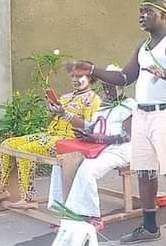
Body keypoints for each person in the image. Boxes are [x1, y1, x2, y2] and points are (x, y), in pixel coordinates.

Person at [70, 0, 166, 246]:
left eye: (147, 11)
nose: (142, 16)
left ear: (164, 15)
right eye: (140, 12)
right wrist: (93, 69)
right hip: (142, 114)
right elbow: (124, 77)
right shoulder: (143, 46)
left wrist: (165, 72)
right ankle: (149, 226)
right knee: (145, 172)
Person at [0, 64, 100, 211]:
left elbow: (89, 126)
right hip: (51, 135)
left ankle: (28, 198)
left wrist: (64, 113)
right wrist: (51, 111)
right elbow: (50, 122)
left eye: (79, 76)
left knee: (26, 150)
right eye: (73, 76)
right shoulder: (66, 97)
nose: (75, 80)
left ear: (90, 78)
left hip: (69, 140)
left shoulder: (93, 100)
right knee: (7, 144)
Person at [47, 80, 136, 226]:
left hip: (118, 149)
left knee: (87, 170)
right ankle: (62, 209)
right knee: (61, 162)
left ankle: (89, 215)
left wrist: (98, 138)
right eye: (105, 86)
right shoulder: (103, 104)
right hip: (95, 146)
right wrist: (66, 116)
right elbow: (90, 125)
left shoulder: (130, 105)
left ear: (120, 87)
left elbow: (126, 136)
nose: (107, 90)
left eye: (111, 86)